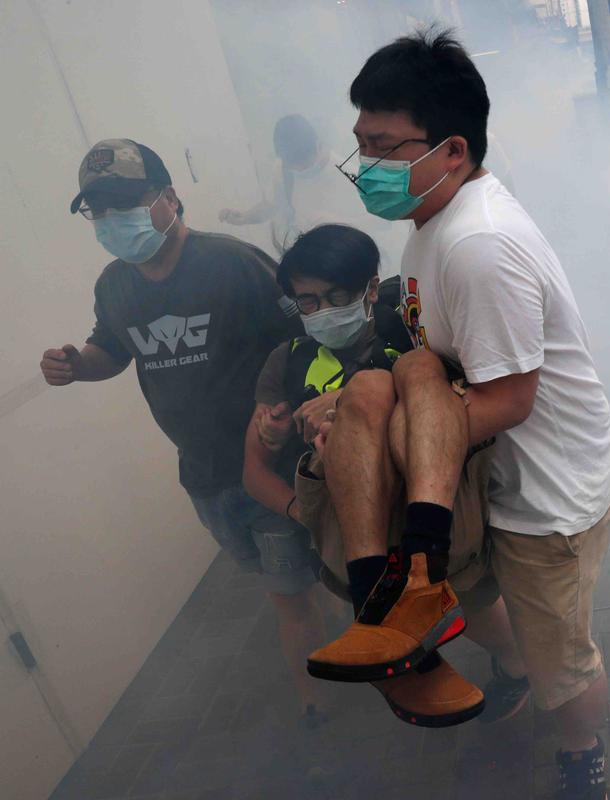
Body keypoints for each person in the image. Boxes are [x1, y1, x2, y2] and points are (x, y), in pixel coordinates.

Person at [312, 30, 610, 799]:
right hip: (482, 482)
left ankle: (581, 750)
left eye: (384, 148)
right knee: (476, 603)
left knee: (562, 667)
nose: (366, 166)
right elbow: (447, 364)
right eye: (360, 145)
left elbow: (512, 399)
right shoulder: (432, 226)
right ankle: (468, 642)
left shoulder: (479, 244)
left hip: (545, 501)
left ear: (452, 150)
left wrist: (378, 446)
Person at [42, 139, 330, 725]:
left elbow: (304, 338)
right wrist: (77, 365)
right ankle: (328, 604)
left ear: (169, 198)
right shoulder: (114, 286)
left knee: (289, 594)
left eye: (126, 202)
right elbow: (111, 349)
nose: (112, 219)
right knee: (280, 578)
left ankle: (316, 704)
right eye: (99, 209)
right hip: (203, 477)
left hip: (270, 465)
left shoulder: (232, 263)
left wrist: (291, 407)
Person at [243, 223, 525, 728]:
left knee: (478, 612)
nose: (322, 311)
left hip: (434, 507)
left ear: (371, 289)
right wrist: (302, 507)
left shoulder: (414, 329)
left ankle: (510, 663)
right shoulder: (287, 363)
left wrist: (348, 397)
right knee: (373, 387)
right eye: (308, 302)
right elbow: (254, 470)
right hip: (356, 526)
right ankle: (389, 628)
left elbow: (478, 392)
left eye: (336, 296)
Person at [218, 114, 406, 263]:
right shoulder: (283, 169)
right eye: (292, 165)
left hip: (344, 259)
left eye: (304, 165)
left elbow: (383, 223)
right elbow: (273, 204)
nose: (299, 170)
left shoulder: (349, 175)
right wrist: (245, 217)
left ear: (318, 145)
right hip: (308, 259)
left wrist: (338, 223)